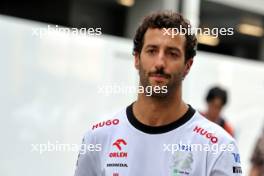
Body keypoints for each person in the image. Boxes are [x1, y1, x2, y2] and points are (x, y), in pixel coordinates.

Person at [74, 11, 242, 176]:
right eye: (152, 51)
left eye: (172, 53)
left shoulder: (217, 146)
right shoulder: (98, 138)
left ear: (187, 66)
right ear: (136, 59)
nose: (160, 62)